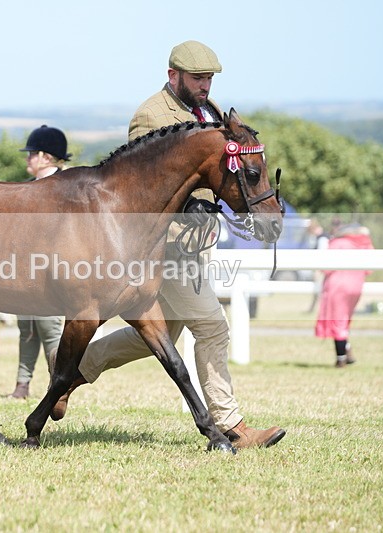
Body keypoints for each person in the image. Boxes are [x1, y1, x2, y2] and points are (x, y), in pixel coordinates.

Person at [48, 41, 286, 449]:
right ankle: (233, 426)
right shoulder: (152, 116)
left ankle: (69, 370)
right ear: (173, 74)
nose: (205, 85)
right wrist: (187, 212)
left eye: (209, 78)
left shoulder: (210, 114)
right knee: (212, 327)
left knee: (158, 334)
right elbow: (141, 184)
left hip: (196, 244)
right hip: (165, 247)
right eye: (198, 78)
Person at [9, 125, 68, 399]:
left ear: (45, 156)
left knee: (50, 328)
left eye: (31, 153)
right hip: (26, 270)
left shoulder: (65, 187)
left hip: (52, 272)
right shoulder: (28, 188)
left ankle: (57, 386)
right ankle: (22, 385)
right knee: (27, 328)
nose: (27, 158)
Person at [315, 222, 374, 367]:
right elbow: (369, 269)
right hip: (356, 286)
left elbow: (326, 268)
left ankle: (341, 358)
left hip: (337, 286)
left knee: (337, 322)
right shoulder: (365, 244)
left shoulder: (337, 243)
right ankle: (347, 351)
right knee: (344, 320)